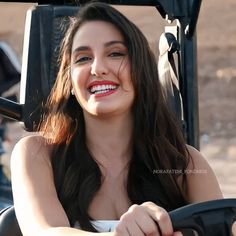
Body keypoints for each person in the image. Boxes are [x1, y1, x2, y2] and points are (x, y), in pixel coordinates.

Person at [10, 2, 235, 236]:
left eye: (115, 53)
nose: (97, 68)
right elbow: (45, 232)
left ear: (141, 71)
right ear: (71, 83)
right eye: (83, 58)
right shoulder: (37, 155)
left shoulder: (186, 164)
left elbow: (223, 227)